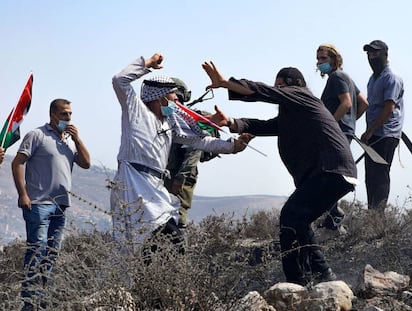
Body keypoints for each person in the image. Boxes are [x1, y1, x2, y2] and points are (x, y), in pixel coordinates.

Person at [202, 61, 357, 285]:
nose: (279, 93)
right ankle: (318, 276)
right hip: (330, 173)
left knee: (291, 217)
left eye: (281, 87)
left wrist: (227, 83)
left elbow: (265, 91)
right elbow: (267, 126)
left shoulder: (303, 96)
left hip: (330, 170)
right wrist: (232, 123)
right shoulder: (295, 114)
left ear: (294, 86)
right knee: (298, 221)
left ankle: (302, 281)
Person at [110, 53, 253, 255]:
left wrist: (232, 146)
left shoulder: (170, 124)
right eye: (173, 97)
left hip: (155, 186)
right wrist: (147, 64)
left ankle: (151, 282)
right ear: (159, 97)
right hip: (133, 182)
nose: (177, 102)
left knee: (160, 240)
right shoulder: (136, 111)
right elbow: (119, 80)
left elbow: (200, 141)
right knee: (146, 240)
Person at [11, 98, 91, 310]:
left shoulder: (66, 141)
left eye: (70, 114)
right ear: (53, 115)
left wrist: (77, 139)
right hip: (38, 204)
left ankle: (41, 300)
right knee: (36, 251)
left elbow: (86, 163)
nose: (68, 118)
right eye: (64, 114)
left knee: (51, 254)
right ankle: (29, 304)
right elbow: (17, 162)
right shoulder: (37, 135)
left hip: (60, 206)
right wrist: (23, 194)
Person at [316, 44, 369, 231]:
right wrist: (350, 123)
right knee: (333, 173)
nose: (320, 62)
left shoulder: (337, 77)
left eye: (324, 58)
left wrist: (332, 125)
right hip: (343, 133)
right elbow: (363, 103)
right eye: (318, 59)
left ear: (334, 58)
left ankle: (334, 219)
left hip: (335, 134)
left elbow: (346, 103)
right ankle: (332, 219)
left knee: (328, 174)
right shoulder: (346, 78)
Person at [164, 78, 220, 228]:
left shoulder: (188, 120)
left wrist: (181, 178)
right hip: (165, 174)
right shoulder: (168, 118)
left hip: (180, 176)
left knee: (177, 218)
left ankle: (177, 249)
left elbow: (194, 152)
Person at [361, 40, 404, 210]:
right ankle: (372, 213)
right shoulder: (373, 78)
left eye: (375, 53)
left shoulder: (391, 77)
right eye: (370, 54)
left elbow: (389, 108)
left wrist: (370, 131)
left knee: (379, 175)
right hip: (373, 134)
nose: (372, 57)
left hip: (385, 134)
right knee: (370, 176)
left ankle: (378, 217)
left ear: (385, 54)